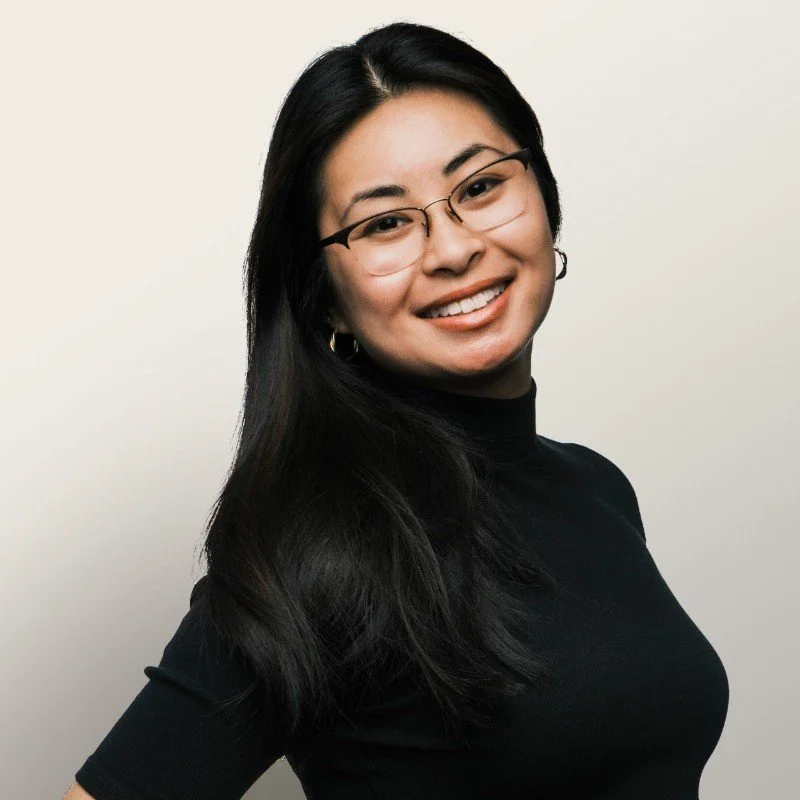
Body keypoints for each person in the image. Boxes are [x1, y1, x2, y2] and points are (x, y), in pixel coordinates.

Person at [64, 21, 729, 800]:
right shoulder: (323, 549)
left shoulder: (598, 489)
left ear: (545, 200)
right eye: (384, 223)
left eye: (480, 187)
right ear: (329, 302)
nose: (451, 249)